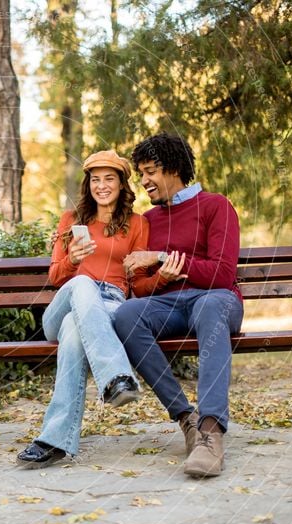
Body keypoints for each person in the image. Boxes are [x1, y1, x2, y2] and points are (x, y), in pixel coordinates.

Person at [115, 132, 243, 478]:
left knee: (210, 306)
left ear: (173, 169)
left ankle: (211, 430)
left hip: (217, 301)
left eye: (150, 172)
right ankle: (186, 418)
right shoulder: (148, 220)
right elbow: (139, 288)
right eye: (141, 174)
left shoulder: (217, 206)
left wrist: (163, 258)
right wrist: (161, 278)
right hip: (169, 304)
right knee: (125, 315)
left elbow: (221, 273)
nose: (144, 182)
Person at [17, 150, 149, 469]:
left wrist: (146, 266)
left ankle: (53, 441)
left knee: (76, 334)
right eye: (95, 179)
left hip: (110, 307)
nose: (101, 185)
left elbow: (141, 284)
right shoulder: (71, 221)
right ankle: (116, 376)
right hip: (65, 303)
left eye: (109, 179)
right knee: (83, 284)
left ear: (121, 184)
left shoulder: (137, 224)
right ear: (88, 184)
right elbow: (55, 277)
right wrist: (73, 260)